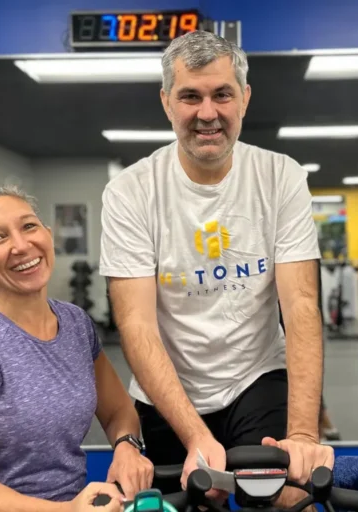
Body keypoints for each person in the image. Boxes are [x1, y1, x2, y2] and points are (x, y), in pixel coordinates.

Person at [99, 29, 332, 501]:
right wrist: (195, 436)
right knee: (196, 500)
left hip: (255, 376)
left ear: (244, 98)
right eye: (190, 96)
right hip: (167, 388)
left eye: (222, 94)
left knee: (291, 497)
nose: (208, 113)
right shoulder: (130, 191)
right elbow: (137, 324)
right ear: (167, 103)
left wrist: (304, 437)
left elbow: (302, 304)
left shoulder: (280, 175)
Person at [0, 185, 153, 512]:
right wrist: (67, 511)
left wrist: (127, 447)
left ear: (47, 234)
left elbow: (119, 412)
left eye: (29, 226)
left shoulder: (76, 324)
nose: (21, 245)